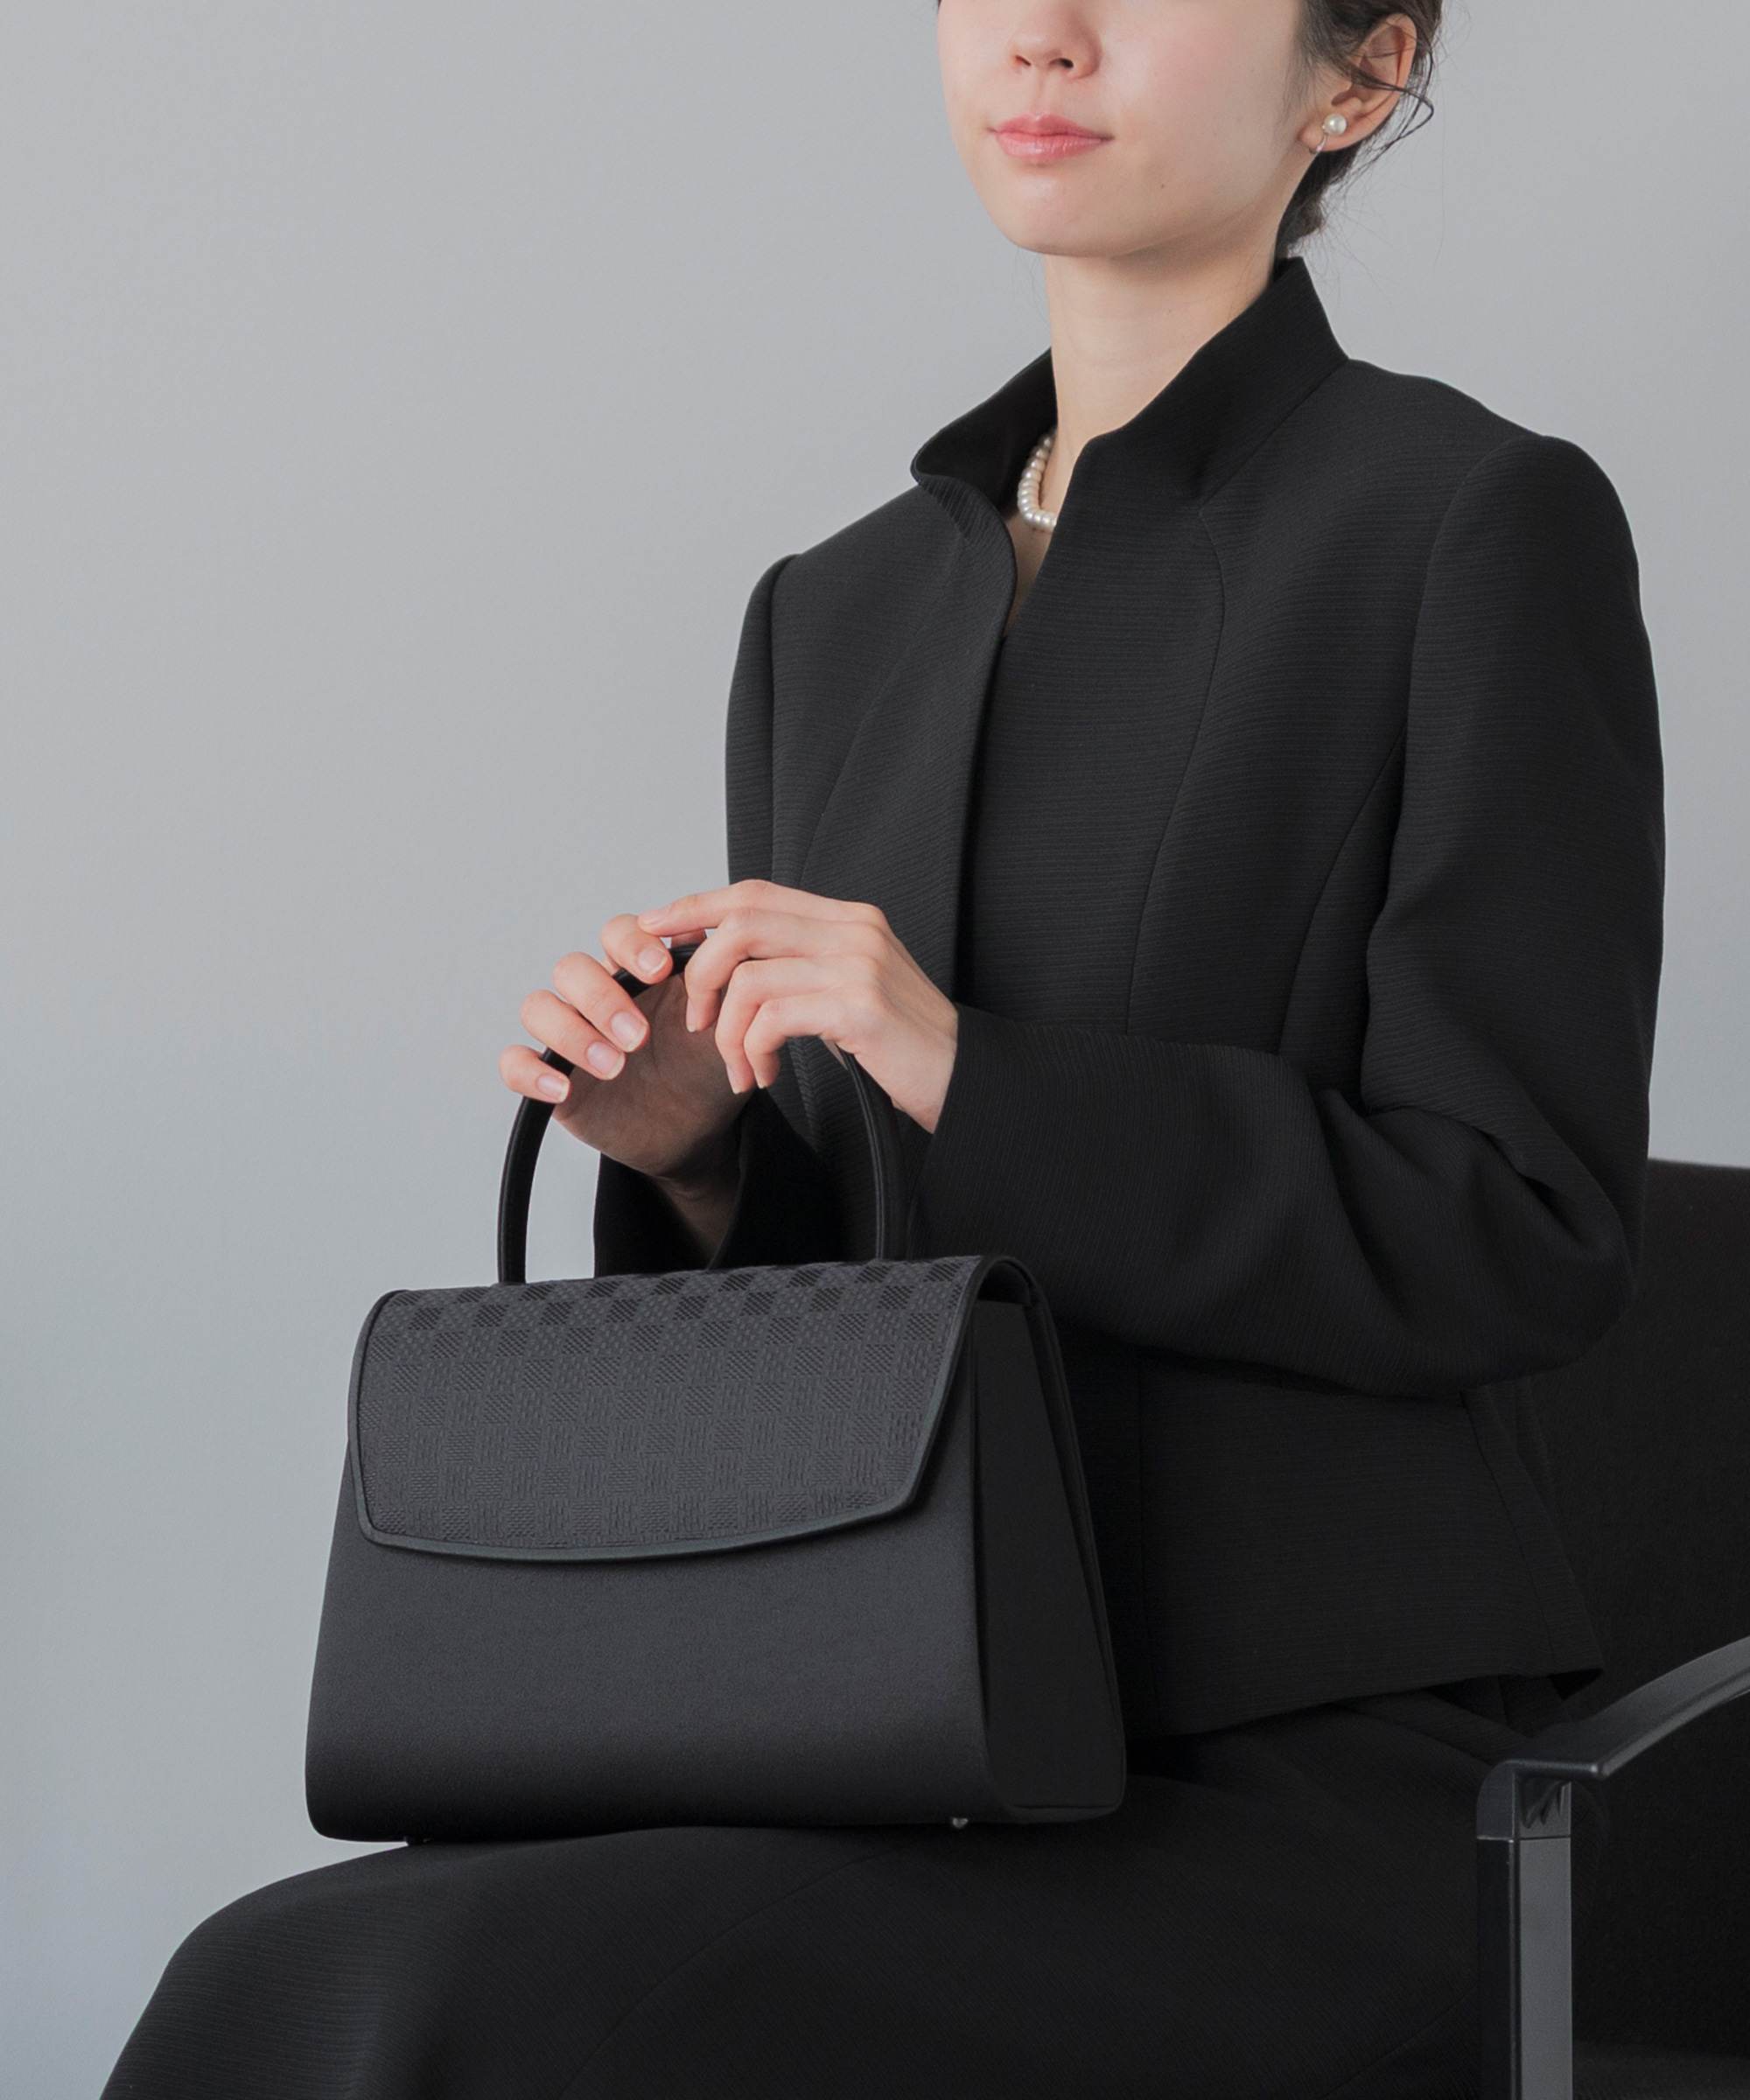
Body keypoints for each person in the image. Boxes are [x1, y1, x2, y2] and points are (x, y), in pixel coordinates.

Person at [103, 2, 1663, 2095]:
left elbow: (1519, 1233)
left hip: (1308, 1777)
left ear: (1357, 78)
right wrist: (695, 1157)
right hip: (879, 1729)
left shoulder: (1471, 524)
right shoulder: (828, 616)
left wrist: (963, 1070)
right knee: (279, 1974)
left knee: (467, 2007)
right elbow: (863, 1324)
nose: (1043, 34)